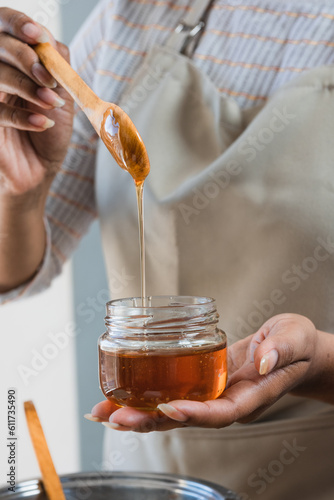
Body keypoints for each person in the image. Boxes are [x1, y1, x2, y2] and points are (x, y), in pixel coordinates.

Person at [0, 1, 334, 499]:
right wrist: (19, 192)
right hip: (148, 473)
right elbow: (19, 273)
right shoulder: (127, 18)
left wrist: (319, 363)